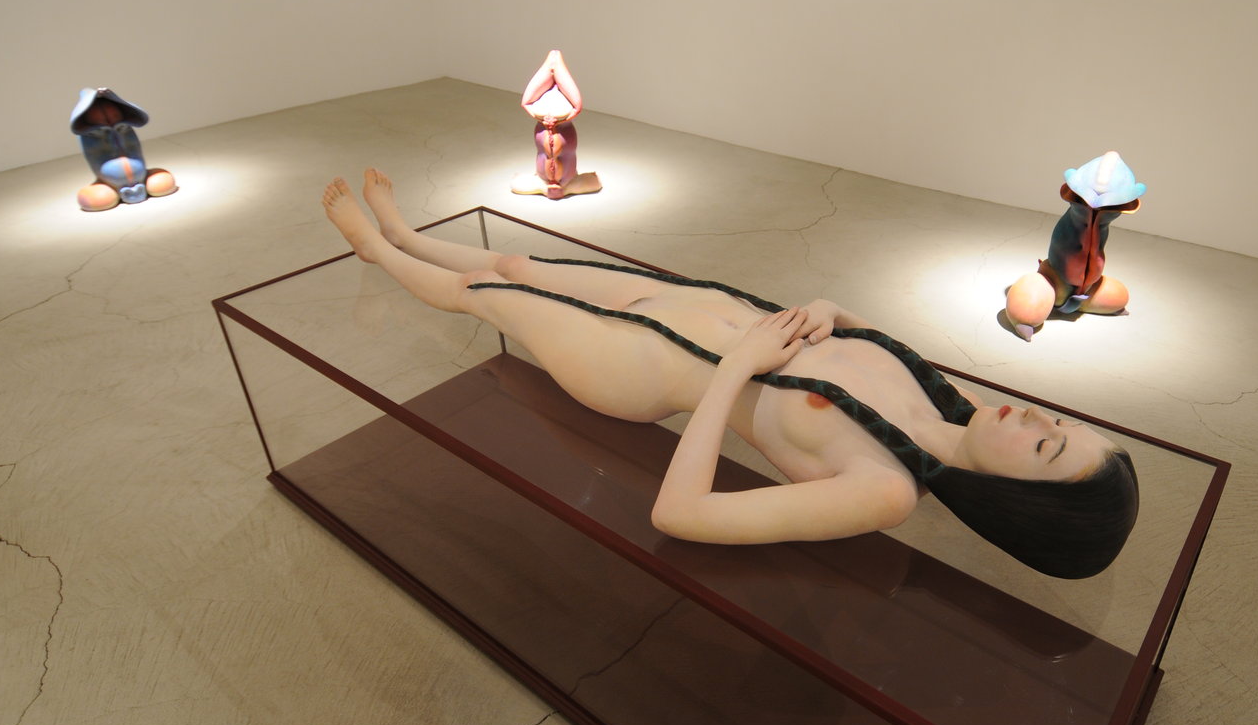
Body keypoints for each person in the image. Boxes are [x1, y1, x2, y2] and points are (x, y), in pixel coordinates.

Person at [323, 170, 1139, 578]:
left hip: (641, 367)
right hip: (700, 304)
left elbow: (679, 513)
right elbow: (855, 334)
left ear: (1018, 500)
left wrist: (738, 370)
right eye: (1058, 422)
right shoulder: (944, 400)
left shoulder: (885, 491)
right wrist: (830, 307)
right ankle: (406, 236)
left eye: (1044, 448)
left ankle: (379, 252)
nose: (1035, 418)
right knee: (515, 262)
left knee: (483, 295)